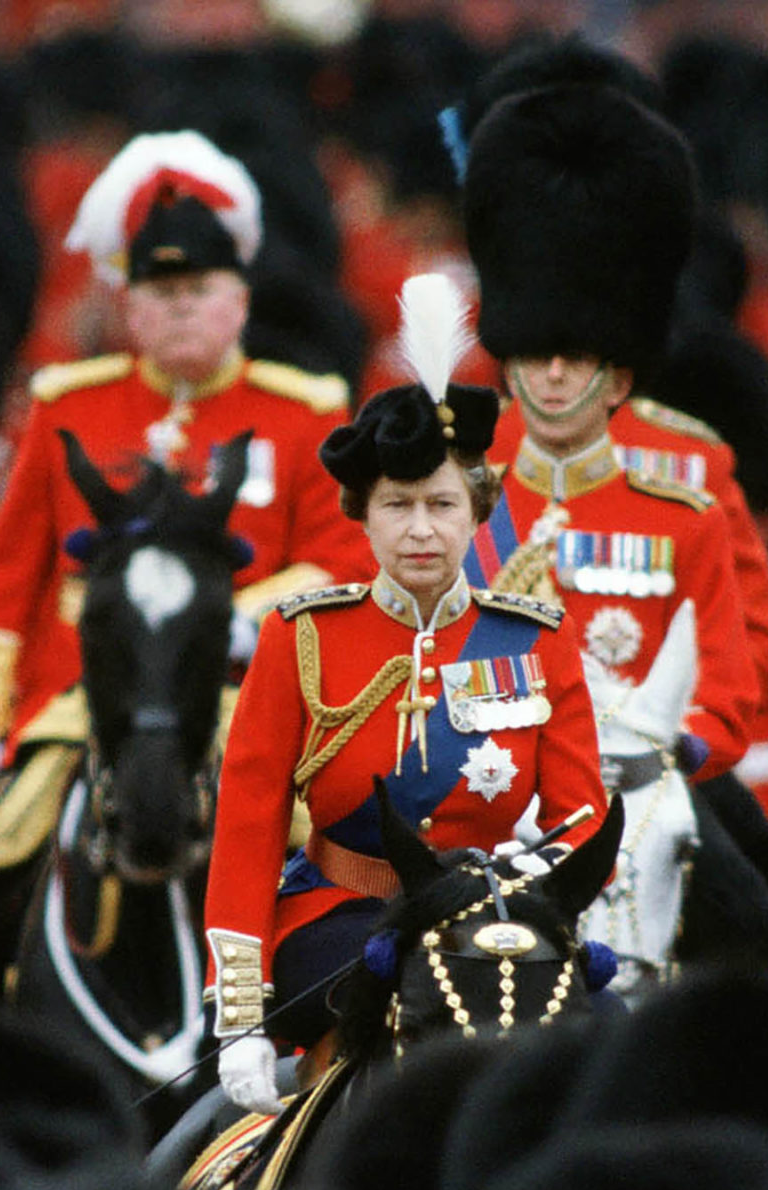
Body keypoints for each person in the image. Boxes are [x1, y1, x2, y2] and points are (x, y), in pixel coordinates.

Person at [204, 274, 605, 1116]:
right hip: (340, 920)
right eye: (398, 506)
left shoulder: (536, 634)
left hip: (497, 917)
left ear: (478, 513)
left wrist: (525, 883)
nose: (421, 529)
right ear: (364, 516)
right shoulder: (300, 635)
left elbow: (581, 817)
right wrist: (238, 1019)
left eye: (441, 504)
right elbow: (247, 828)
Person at [0, 129, 368, 802]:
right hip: (79, 704)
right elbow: (10, 575)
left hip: (243, 696)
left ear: (240, 301)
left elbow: (345, 561)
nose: (180, 305)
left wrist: (242, 617)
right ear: (131, 308)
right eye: (160, 289)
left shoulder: (304, 412)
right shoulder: (67, 406)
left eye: (200, 287)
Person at [455, 76, 759, 782]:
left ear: (618, 378)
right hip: (486, 784)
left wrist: (676, 747)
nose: (555, 376)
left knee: (761, 888)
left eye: (578, 358)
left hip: (649, 781)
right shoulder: (451, 489)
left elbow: (741, 666)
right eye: (534, 355)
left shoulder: (687, 499)